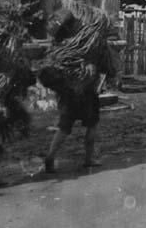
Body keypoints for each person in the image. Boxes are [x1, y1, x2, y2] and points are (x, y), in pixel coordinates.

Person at [44, 9, 103, 173]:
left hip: (67, 93)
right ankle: (88, 159)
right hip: (87, 92)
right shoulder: (87, 41)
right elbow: (99, 60)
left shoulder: (58, 47)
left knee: (64, 127)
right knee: (92, 126)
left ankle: (50, 156)